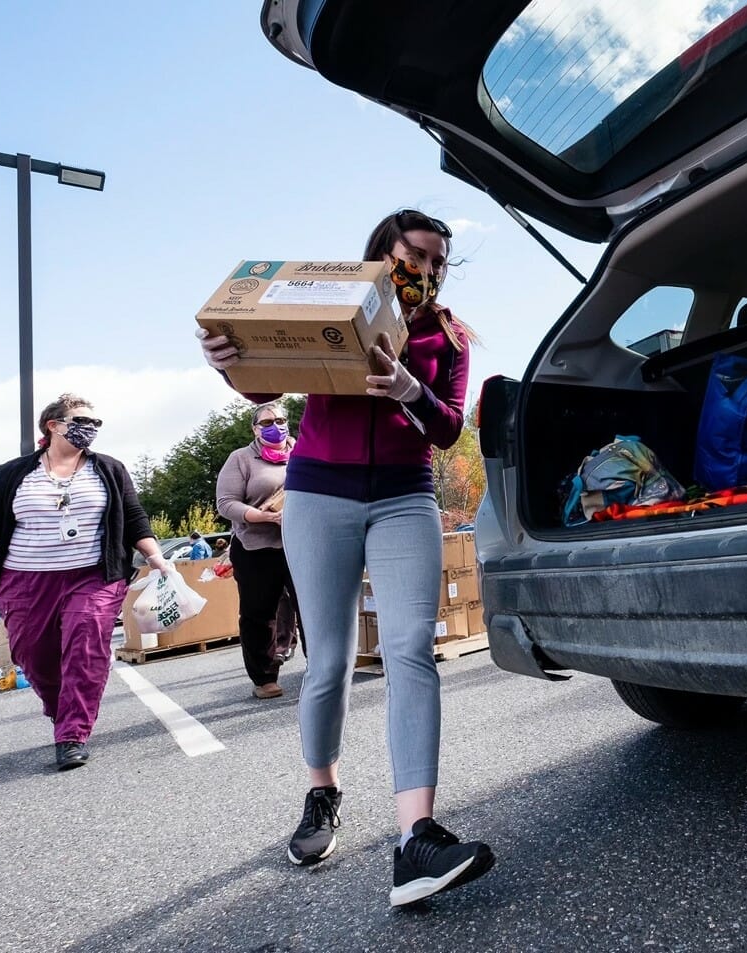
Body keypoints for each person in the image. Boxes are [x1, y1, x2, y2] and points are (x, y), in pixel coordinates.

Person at [199, 208, 493, 906]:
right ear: (384, 250)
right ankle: (321, 792)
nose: (426, 269)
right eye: (415, 254)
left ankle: (415, 836)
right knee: (327, 658)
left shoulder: (448, 335)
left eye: (438, 261)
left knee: (410, 651)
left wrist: (408, 389)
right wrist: (229, 364)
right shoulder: (336, 306)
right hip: (318, 495)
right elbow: (266, 383)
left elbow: (450, 427)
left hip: (403, 495)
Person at [0, 394, 173, 770]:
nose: (90, 429)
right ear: (53, 425)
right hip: (25, 581)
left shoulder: (109, 469)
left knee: (86, 644)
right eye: (82, 420)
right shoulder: (13, 473)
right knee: (35, 657)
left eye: (96, 423)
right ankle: (61, 709)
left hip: (92, 577)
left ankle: (72, 733)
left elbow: (134, 517)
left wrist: (157, 556)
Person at [215, 401, 300, 700]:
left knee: (313, 607)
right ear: (254, 429)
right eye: (266, 422)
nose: (275, 426)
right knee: (259, 614)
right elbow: (226, 503)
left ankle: (323, 669)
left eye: (279, 420)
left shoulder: (303, 450)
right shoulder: (241, 459)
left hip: (301, 543)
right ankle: (264, 678)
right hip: (256, 546)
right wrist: (262, 516)